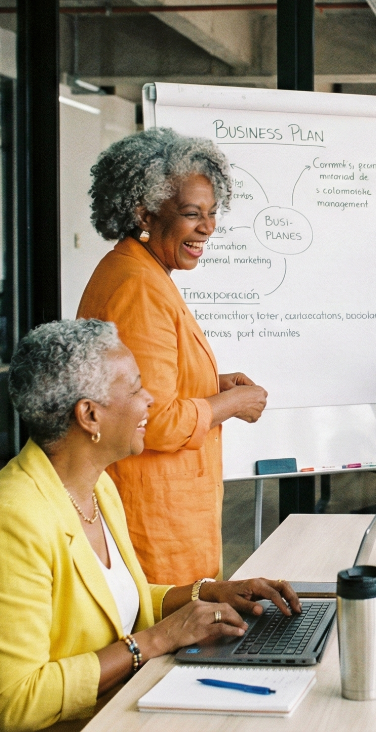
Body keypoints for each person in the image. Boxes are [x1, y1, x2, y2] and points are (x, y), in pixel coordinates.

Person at [0, 320, 299, 732]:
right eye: (136, 388)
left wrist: (208, 591)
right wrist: (156, 640)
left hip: (109, 711)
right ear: (89, 415)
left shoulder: (97, 484)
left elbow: (113, 602)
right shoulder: (9, 523)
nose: (149, 400)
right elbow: (16, 702)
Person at [77, 129, 268, 586]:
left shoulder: (136, 269)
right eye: (191, 214)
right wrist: (235, 404)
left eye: (212, 213)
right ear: (143, 211)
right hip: (156, 517)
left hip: (162, 505)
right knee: (172, 642)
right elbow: (154, 418)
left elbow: (146, 383)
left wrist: (210, 382)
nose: (208, 227)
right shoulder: (138, 286)